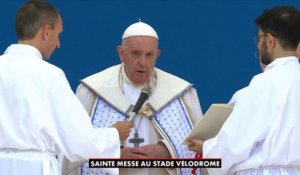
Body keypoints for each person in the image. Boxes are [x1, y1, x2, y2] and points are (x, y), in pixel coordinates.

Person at [0, 1, 132, 175]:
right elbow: (79, 141)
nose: (58, 44)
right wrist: (114, 135)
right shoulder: (49, 75)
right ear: (46, 31)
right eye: (58, 35)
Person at [63, 21, 203, 175]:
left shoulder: (180, 92)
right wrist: (113, 154)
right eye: (136, 54)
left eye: (149, 55)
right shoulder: (93, 91)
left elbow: (198, 146)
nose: (143, 63)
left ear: (157, 55)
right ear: (121, 53)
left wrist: (168, 150)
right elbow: (73, 146)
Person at [187, 6, 300, 175]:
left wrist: (206, 147)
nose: (258, 44)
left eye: (259, 38)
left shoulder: (264, 84)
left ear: (270, 40)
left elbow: (234, 145)